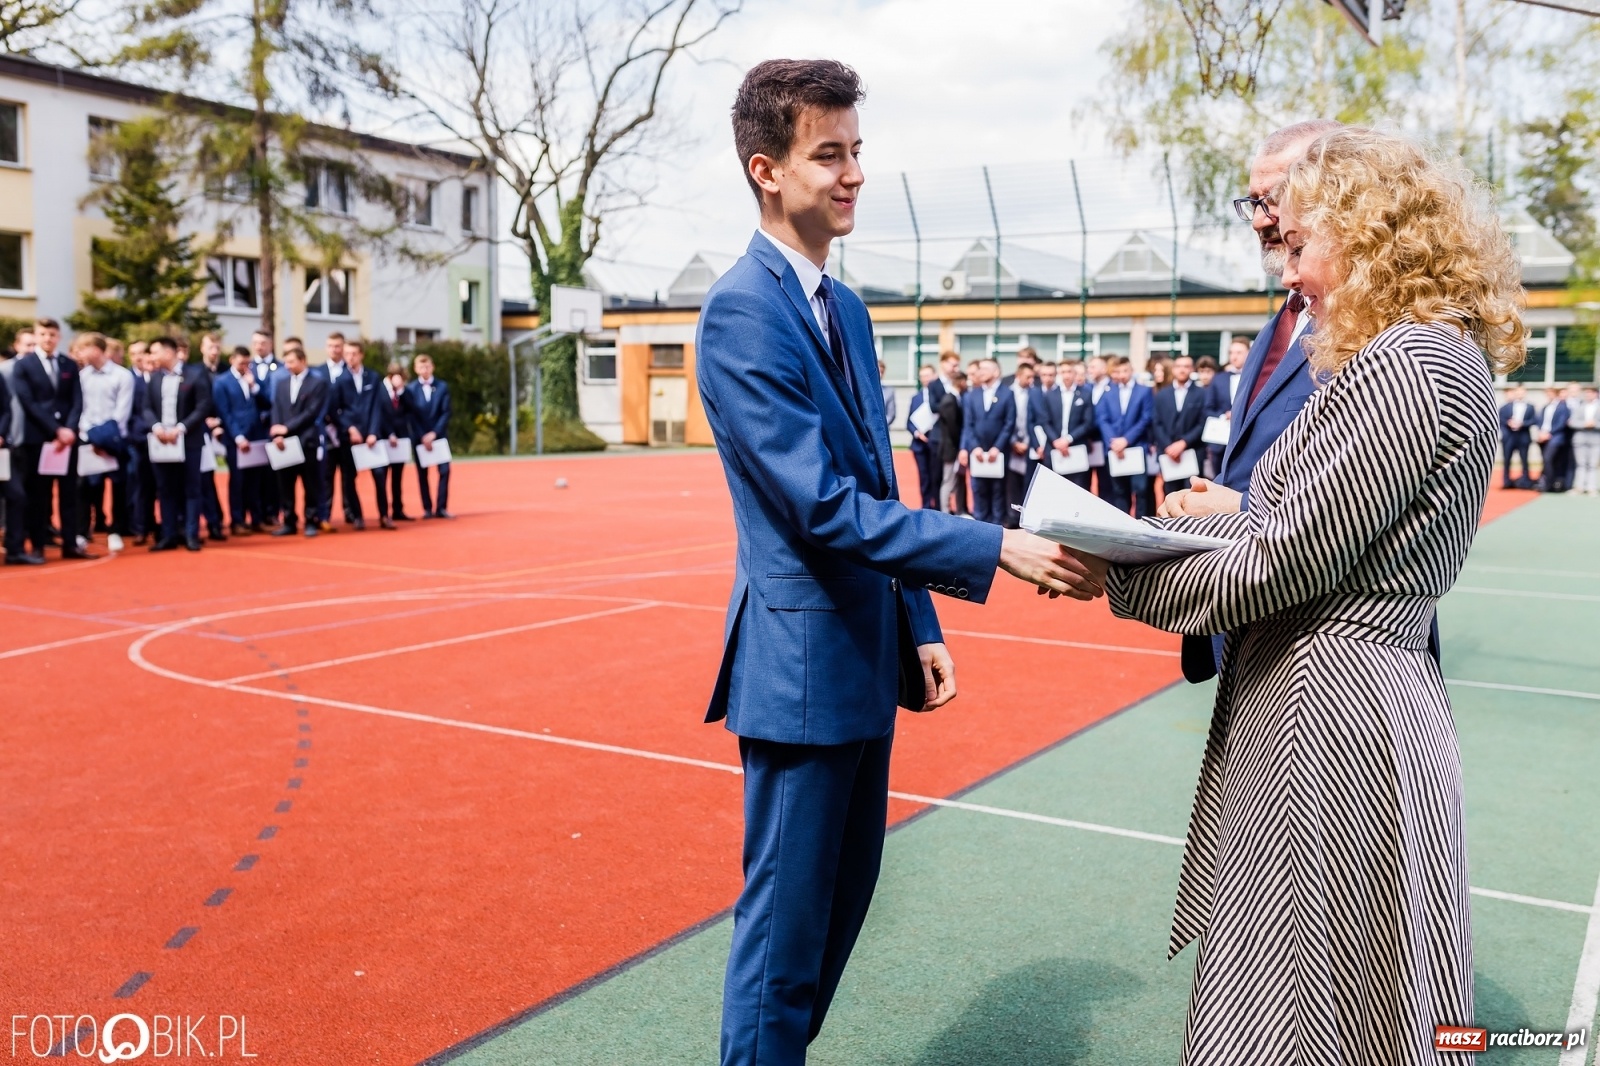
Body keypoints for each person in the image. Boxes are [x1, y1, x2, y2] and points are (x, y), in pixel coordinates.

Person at [1084, 126, 1525, 1066]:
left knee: (1299, 1001)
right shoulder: (1394, 357)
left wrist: (1116, 571)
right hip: (1313, 702)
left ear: (1367, 227)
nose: (1279, 229)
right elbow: (1280, 522)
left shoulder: (1416, 363)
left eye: (1301, 216)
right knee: (1306, 993)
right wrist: (1155, 535)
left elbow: (1285, 559)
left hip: (1333, 722)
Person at [698, 59, 1099, 1066]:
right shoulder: (741, 310)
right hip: (796, 675)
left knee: (834, 919)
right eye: (827, 154)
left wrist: (919, 621)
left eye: (856, 152)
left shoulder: (849, 308)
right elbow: (823, 508)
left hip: (865, 656)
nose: (853, 174)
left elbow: (877, 480)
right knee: (781, 949)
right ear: (766, 169)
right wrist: (996, 544)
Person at [1169, 120, 1338, 684]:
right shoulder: (1284, 321)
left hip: (1326, 654)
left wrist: (1234, 511)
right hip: (1258, 621)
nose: (1263, 219)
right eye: (1254, 202)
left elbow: (1343, 517)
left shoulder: (1387, 339)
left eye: (1277, 200)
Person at [12, 318, 91, 559]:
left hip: (68, 440)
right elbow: (28, 402)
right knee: (38, 495)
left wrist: (68, 430)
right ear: (37, 336)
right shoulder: (24, 365)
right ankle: (37, 544)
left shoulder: (68, 364)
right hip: (39, 439)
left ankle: (70, 544)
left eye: (53, 334)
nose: (48, 338)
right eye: (44, 334)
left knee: (70, 494)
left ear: (59, 337)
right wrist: (55, 430)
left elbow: (77, 400)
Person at [142, 336, 214, 552]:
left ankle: (191, 534)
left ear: (168, 352)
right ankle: (169, 534)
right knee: (165, 489)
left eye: (155, 352)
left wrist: (180, 428)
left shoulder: (195, 374)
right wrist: (156, 428)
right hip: (161, 441)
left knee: (191, 488)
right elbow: (146, 407)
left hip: (187, 440)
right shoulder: (154, 379)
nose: (152, 357)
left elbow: (203, 406)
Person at [76, 332, 134, 553]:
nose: (80, 354)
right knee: (84, 487)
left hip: (114, 439)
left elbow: (122, 413)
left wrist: (105, 438)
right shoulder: (83, 376)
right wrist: (89, 436)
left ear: (97, 349)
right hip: (88, 439)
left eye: (84, 348)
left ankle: (115, 530)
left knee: (118, 486)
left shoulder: (122, 376)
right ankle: (82, 531)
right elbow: (81, 408)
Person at [268, 344, 328, 538]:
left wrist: (287, 428)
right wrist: (278, 433)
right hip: (284, 444)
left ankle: (311, 520)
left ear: (302, 361)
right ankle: (289, 521)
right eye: (285, 361)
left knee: (310, 484)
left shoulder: (317, 383)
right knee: (285, 484)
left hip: (307, 442)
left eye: (291, 361)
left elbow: (311, 413)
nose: (287, 365)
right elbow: (276, 408)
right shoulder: (282, 383)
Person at [214, 345, 271, 534]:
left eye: (247, 363)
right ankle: (237, 521)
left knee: (256, 481)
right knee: (238, 482)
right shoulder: (222, 382)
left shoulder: (252, 378)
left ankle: (256, 518)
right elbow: (225, 412)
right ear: (232, 360)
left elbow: (266, 402)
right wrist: (238, 436)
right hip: (236, 439)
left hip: (256, 436)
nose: (244, 366)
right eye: (241, 363)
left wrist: (254, 386)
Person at [333, 339, 382, 529]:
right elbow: (336, 410)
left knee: (379, 476)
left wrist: (373, 433)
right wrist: (349, 428)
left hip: (371, 438)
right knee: (349, 478)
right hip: (350, 439)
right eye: (347, 354)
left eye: (354, 353)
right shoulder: (339, 380)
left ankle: (384, 515)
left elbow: (377, 407)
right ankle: (358, 516)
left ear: (361, 354)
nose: (350, 358)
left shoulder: (373, 377)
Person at [1095, 354, 1152, 517]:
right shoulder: (1107, 392)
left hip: (1136, 447)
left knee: (1140, 490)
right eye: (1118, 371)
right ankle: (1123, 526)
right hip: (1114, 449)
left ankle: (1141, 526)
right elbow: (1102, 418)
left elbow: (1146, 418)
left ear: (1131, 370)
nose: (1121, 375)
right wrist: (1113, 442)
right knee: (1119, 491)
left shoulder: (1144, 391)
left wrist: (1126, 440)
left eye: (1125, 371)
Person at [959, 356, 1015, 525]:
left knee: (998, 493)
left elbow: (1009, 423)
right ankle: (980, 529)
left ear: (996, 372)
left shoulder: (1007, 394)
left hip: (998, 453)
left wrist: (997, 448)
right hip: (977, 454)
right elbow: (968, 424)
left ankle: (997, 530)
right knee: (978, 491)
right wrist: (974, 447)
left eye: (984, 368)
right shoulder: (971, 395)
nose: (979, 372)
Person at [315, 331, 355, 531]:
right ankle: (325, 515)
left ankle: (350, 512)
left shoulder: (352, 372)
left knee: (349, 475)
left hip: (346, 432)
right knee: (326, 476)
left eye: (338, 346)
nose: (334, 349)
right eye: (331, 346)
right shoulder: (318, 372)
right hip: (325, 432)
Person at [405, 353, 453, 519]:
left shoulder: (442, 387)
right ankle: (427, 508)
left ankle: (441, 508)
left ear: (432, 367)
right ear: (416, 369)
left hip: (439, 436)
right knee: (422, 474)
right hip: (419, 438)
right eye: (421, 367)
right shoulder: (410, 389)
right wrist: (422, 435)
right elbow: (410, 416)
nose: (424, 370)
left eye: (427, 366)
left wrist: (434, 433)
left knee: (445, 471)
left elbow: (446, 412)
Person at [1152, 354, 1206, 496]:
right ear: (1173, 369)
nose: (1182, 370)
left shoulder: (1202, 394)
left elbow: (1203, 422)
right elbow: (1156, 423)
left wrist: (1183, 443)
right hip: (1168, 453)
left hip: (1192, 451)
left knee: (1191, 496)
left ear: (1192, 369)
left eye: (1186, 366)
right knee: (1170, 495)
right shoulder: (1162, 394)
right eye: (1179, 366)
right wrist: (1169, 446)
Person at [1003, 359, 1035, 526]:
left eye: (1032, 377)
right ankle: (1012, 517)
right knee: (1011, 483)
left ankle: (1026, 519)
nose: (1030, 381)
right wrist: (1013, 442)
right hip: (1011, 445)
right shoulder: (1007, 392)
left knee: (1028, 483)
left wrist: (1028, 443)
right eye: (1027, 377)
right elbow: (1006, 421)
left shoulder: (1034, 393)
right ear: (1018, 375)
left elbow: (1035, 420)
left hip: (1029, 445)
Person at [380, 363, 414, 521]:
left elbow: (410, 410)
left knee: (398, 477)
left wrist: (401, 391)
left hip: (401, 439)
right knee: (382, 476)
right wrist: (389, 433)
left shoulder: (403, 392)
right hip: (384, 438)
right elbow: (379, 414)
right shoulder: (380, 390)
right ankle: (384, 512)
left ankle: (398, 509)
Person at [906, 364, 939, 509]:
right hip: (919, 445)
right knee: (924, 477)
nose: (925, 378)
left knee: (936, 477)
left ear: (934, 375)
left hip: (936, 442)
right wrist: (917, 433)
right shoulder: (915, 397)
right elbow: (909, 422)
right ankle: (925, 507)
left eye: (927, 375)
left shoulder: (940, 396)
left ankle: (937, 507)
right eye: (922, 376)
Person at [937, 367, 968, 515]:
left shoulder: (955, 398)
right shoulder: (949, 400)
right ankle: (944, 510)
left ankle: (951, 509)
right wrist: (960, 445)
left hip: (953, 447)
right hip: (951, 448)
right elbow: (952, 427)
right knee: (948, 481)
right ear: (960, 382)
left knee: (954, 480)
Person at [1497, 384, 1535, 489]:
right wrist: (1509, 423)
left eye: (1522, 391)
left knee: (1524, 460)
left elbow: (1533, 420)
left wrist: (1522, 424)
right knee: (1507, 460)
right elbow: (1500, 420)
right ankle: (1506, 481)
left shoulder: (1530, 407)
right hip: (1509, 437)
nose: (1520, 394)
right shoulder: (1505, 407)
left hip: (1523, 436)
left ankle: (1525, 481)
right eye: (1518, 391)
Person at [1535, 385, 1570, 493]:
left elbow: (1561, 423)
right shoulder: (1545, 407)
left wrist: (1549, 433)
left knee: (1549, 459)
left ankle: (1549, 484)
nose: (1549, 396)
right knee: (1546, 461)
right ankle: (1547, 482)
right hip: (1543, 437)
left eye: (1551, 393)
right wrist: (1541, 432)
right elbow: (1541, 422)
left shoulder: (1563, 407)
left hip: (1556, 437)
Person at [1571, 385, 1600, 495]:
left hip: (1596, 439)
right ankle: (1579, 487)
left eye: (1591, 393)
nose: (1588, 395)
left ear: (1596, 394)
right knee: (1580, 464)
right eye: (1587, 393)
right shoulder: (1579, 406)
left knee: (1592, 464)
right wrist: (1584, 424)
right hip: (1580, 439)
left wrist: (1594, 424)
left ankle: (1591, 487)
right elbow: (1572, 422)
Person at [876, 358, 896, 427]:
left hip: (882, 430)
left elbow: (891, 414)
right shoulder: (862, 389)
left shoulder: (889, 391)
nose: (880, 374)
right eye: (878, 371)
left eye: (882, 372)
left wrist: (879, 426)